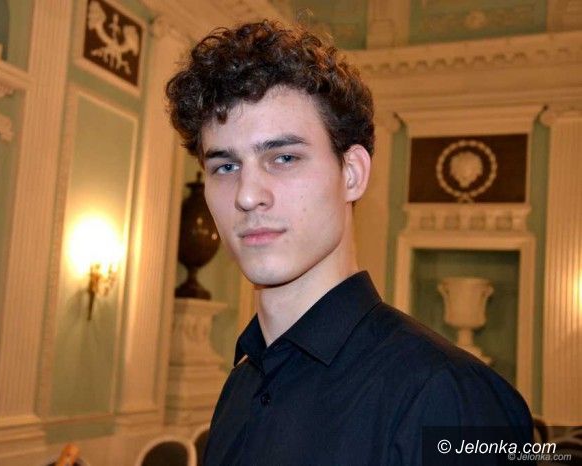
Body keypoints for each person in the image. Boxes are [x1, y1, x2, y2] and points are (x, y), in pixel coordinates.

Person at [166, 20, 532, 466]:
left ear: (353, 174)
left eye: (284, 158)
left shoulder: (451, 396)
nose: (246, 194)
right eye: (225, 167)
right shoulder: (240, 385)